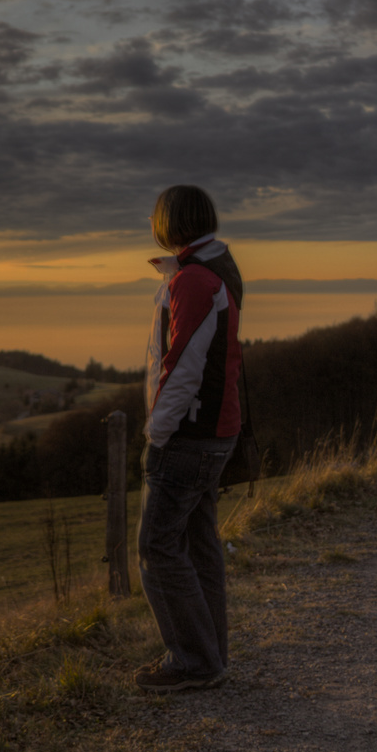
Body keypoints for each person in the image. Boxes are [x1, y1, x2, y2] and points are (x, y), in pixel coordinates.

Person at [134, 184, 244, 693]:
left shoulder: (195, 281)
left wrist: (157, 434)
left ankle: (195, 662)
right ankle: (209, 654)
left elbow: (181, 367)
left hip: (190, 435)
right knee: (199, 546)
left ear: (168, 223)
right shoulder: (215, 270)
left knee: (157, 547)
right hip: (216, 431)